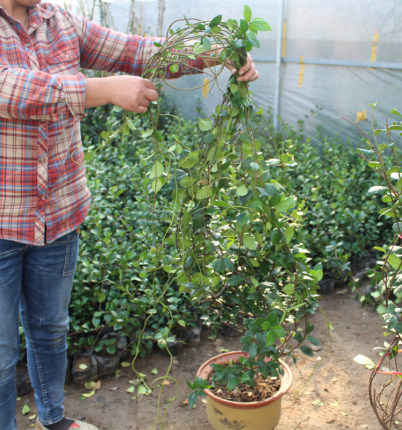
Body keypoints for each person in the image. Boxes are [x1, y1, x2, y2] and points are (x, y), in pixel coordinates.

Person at [0, 1, 259, 430]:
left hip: (60, 211)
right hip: (3, 221)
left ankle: (54, 419)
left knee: (50, 331)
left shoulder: (57, 19)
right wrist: (100, 90)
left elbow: (139, 50)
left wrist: (218, 50)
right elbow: (8, 89)